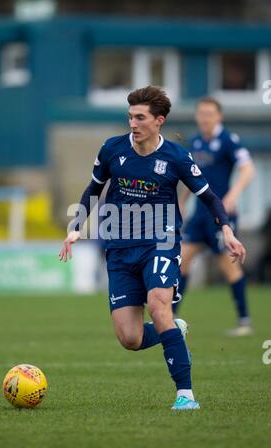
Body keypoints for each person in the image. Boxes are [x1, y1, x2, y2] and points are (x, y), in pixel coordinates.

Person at [59, 86, 246, 410]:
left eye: (140, 117)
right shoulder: (112, 150)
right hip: (119, 248)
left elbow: (209, 196)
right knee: (129, 338)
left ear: (159, 121)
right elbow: (94, 189)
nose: (133, 123)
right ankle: (173, 330)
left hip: (161, 242)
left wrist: (227, 230)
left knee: (159, 305)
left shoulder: (175, 156)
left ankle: (185, 395)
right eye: (130, 116)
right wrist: (76, 229)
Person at [174, 97, 255, 336]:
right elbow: (192, 176)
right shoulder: (197, 141)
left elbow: (248, 168)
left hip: (221, 216)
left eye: (210, 113)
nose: (205, 117)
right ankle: (169, 317)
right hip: (200, 215)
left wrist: (233, 194)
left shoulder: (228, 141)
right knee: (182, 261)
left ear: (219, 116)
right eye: (201, 113)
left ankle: (244, 321)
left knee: (229, 268)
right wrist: (182, 201)